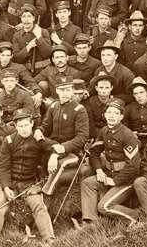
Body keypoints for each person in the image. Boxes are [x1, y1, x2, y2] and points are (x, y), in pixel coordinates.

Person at [0, 109, 57, 241]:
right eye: (20, 126)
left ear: (31, 124)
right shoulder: (9, 141)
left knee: (39, 206)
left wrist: (54, 155)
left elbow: (57, 147)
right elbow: (4, 167)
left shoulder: (39, 140)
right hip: (10, 181)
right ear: (16, 127)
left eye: (26, 125)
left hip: (29, 182)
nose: (24, 129)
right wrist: (6, 187)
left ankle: (49, 238)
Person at [80, 98, 140, 226]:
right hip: (109, 174)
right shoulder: (104, 131)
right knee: (87, 183)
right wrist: (99, 170)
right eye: (109, 113)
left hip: (126, 180)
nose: (111, 116)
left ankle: (136, 216)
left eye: (116, 113)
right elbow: (94, 153)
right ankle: (91, 221)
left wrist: (115, 181)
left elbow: (134, 166)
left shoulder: (127, 135)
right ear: (105, 115)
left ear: (121, 117)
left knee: (104, 207)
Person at [35, 76, 90, 195]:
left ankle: (46, 192)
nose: (65, 93)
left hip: (71, 149)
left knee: (60, 163)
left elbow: (82, 137)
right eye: (62, 90)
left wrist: (62, 149)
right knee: (33, 141)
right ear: (57, 91)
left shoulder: (79, 110)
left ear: (72, 91)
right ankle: (33, 178)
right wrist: (39, 130)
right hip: (53, 145)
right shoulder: (54, 106)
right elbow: (46, 125)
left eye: (68, 89)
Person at [12, 5, 52, 74]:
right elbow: (16, 58)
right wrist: (29, 47)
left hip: (43, 70)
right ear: (21, 19)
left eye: (29, 16)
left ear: (33, 18)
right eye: (24, 16)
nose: (26, 20)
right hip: (24, 72)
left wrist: (39, 37)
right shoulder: (17, 35)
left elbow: (48, 54)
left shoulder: (43, 32)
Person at [84, 72, 116, 138]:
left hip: (111, 133)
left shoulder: (115, 102)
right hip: (94, 133)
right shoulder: (90, 102)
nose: (104, 91)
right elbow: (90, 124)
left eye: (107, 88)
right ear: (96, 88)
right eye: (101, 87)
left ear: (111, 88)